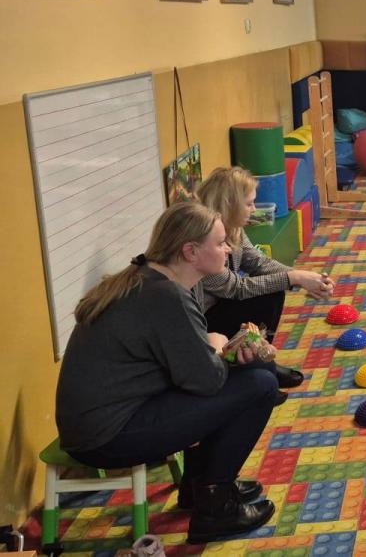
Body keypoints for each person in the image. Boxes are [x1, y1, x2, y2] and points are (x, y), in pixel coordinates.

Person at [56, 203, 277, 544]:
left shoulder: (145, 278)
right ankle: (215, 506)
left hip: (100, 423)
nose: (229, 249)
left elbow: (184, 370)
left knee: (253, 373)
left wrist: (220, 354)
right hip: (107, 437)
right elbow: (206, 381)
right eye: (220, 243)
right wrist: (217, 345)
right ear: (190, 252)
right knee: (260, 384)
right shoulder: (167, 296)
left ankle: (198, 486)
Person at [194, 167, 334, 395]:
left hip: (220, 308)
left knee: (272, 287)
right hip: (202, 327)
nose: (254, 209)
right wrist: (294, 277)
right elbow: (236, 288)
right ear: (229, 205)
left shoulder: (233, 227)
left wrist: (305, 278)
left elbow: (257, 262)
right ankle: (253, 369)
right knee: (270, 287)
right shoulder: (204, 240)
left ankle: (260, 359)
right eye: (249, 204)